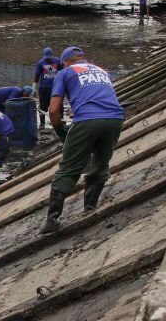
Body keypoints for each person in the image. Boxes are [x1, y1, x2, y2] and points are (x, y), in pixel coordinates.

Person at [40, 46, 125, 234]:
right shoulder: (101, 70)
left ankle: (52, 220)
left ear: (64, 62)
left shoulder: (65, 73)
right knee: (101, 165)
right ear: (82, 59)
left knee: (68, 169)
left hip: (87, 120)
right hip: (115, 119)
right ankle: (90, 209)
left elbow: (53, 110)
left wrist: (60, 129)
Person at [34, 47, 63, 128]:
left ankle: (61, 121)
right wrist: (34, 88)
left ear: (51, 55)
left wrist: (62, 84)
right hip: (43, 88)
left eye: (49, 58)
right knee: (43, 106)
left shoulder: (57, 61)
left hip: (55, 87)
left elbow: (62, 71)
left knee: (58, 105)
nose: (48, 59)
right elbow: (36, 76)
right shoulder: (40, 63)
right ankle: (42, 124)